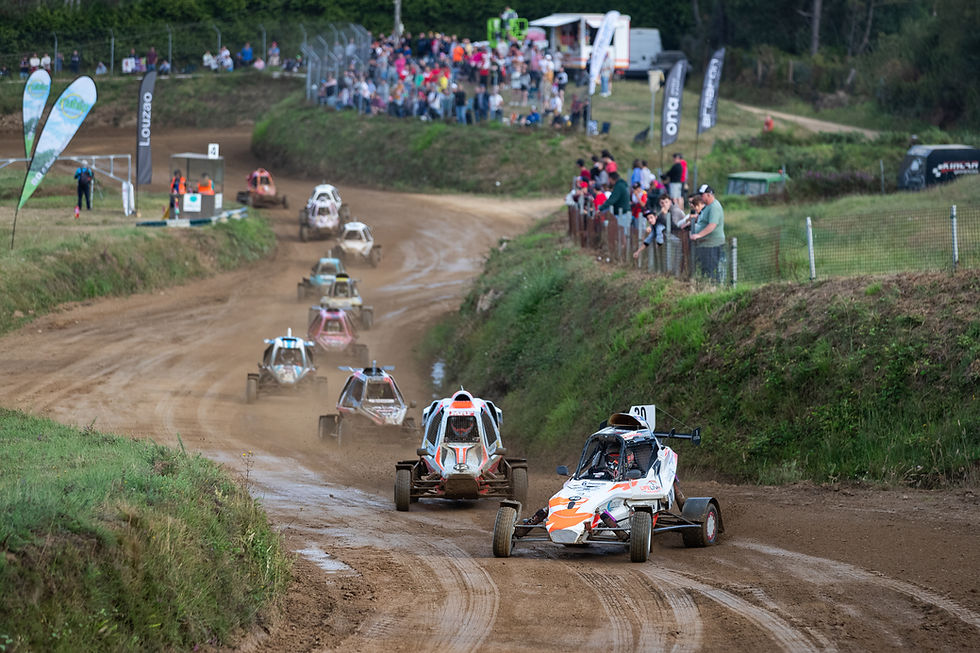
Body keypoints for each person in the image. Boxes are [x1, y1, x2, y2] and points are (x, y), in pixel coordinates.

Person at [689, 184, 725, 282]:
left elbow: (712, 225)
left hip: (712, 244)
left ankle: (713, 289)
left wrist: (699, 235)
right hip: (705, 244)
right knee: (705, 269)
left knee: (710, 269)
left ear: (709, 195)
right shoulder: (707, 207)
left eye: (702, 195)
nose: (700, 197)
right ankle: (707, 287)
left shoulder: (714, 207)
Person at [599, 171, 630, 253]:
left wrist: (601, 208)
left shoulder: (619, 186)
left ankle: (624, 252)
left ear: (612, 179)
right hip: (623, 213)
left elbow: (612, 199)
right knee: (622, 233)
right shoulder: (622, 185)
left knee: (622, 234)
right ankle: (623, 251)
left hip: (622, 213)